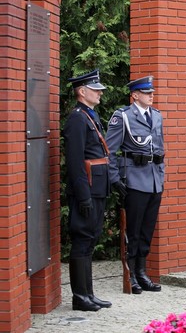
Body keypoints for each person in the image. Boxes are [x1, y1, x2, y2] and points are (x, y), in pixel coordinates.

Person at [106, 75, 164, 294]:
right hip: (134, 180)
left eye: (152, 93)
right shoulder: (123, 117)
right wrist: (114, 178)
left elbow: (159, 149)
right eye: (147, 93)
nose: (151, 96)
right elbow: (110, 151)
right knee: (133, 229)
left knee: (147, 229)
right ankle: (130, 275)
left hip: (154, 181)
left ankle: (142, 272)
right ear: (135, 95)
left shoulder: (157, 116)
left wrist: (161, 175)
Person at [63, 69, 112, 311]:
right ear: (82, 92)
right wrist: (83, 196)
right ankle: (79, 297)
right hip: (87, 190)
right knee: (82, 241)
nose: (100, 93)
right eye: (96, 89)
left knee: (90, 241)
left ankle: (89, 294)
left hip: (97, 188)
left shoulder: (90, 116)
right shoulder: (77, 118)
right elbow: (74, 161)